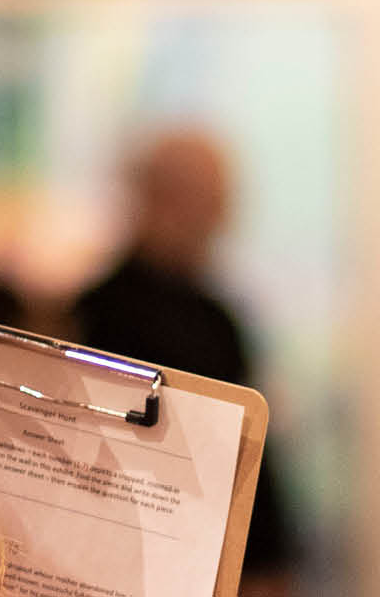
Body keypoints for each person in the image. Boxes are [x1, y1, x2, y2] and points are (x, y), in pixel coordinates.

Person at [69, 129, 297, 594]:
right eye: (210, 199)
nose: (221, 217)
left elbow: (249, 451)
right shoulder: (98, 315)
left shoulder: (218, 316)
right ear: (158, 197)